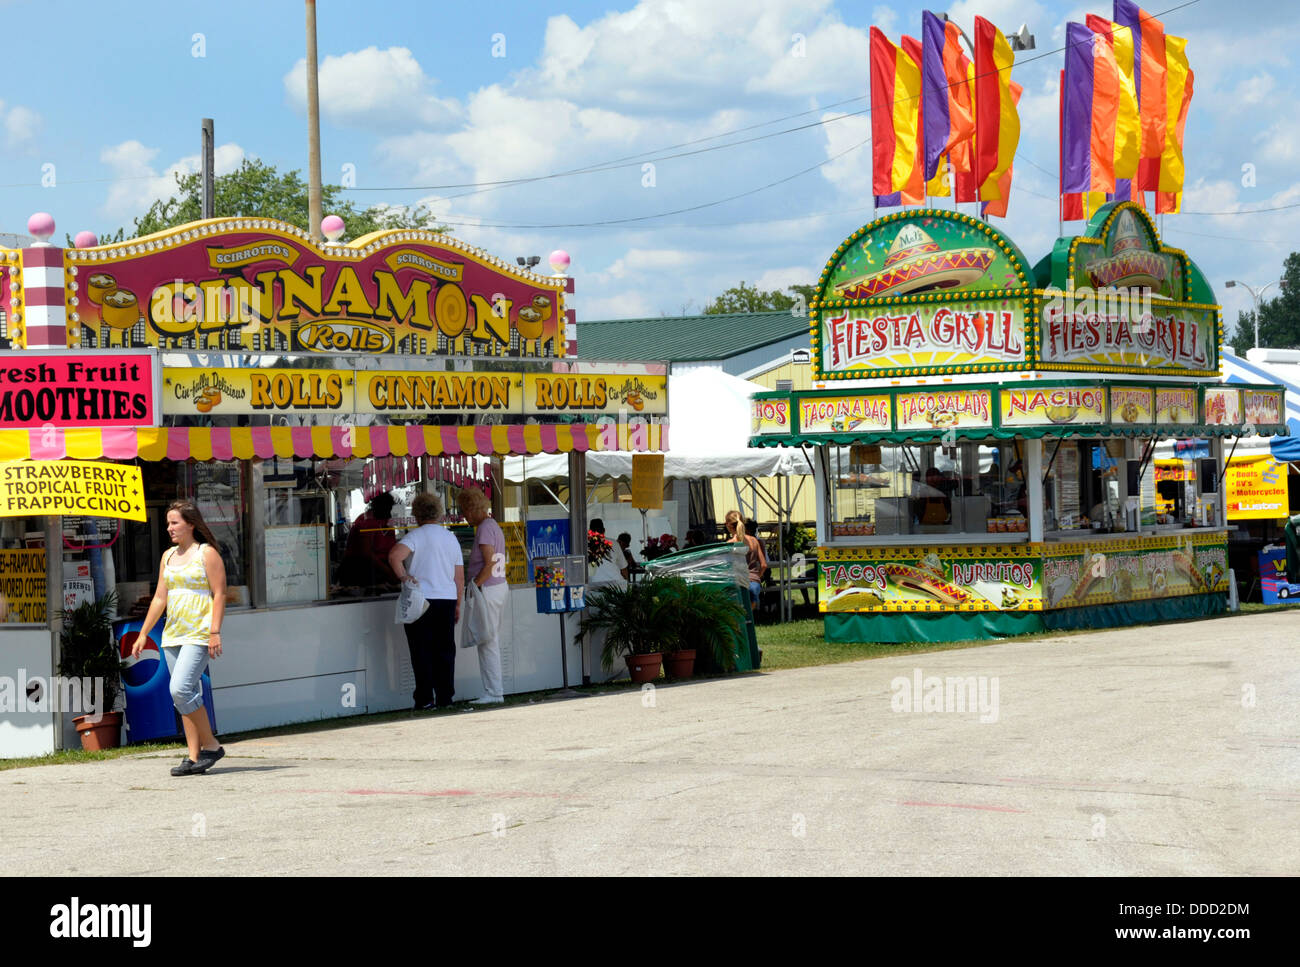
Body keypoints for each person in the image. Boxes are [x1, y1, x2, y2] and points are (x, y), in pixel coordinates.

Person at [134, 500, 227, 777]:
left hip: (199, 633)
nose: (169, 528)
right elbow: (160, 598)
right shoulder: (168, 557)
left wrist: (214, 631)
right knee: (185, 697)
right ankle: (193, 757)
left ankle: (211, 745)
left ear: (191, 524)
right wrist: (142, 634)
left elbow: (220, 593)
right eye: (168, 523)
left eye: (174, 523)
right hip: (173, 633)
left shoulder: (206, 553)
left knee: (181, 690)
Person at [389, 493, 464, 709]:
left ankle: (424, 698)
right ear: (439, 512)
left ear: (417, 513)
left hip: (420, 599)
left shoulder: (416, 536)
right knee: (445, 651)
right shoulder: (450, 538)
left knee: (421, 651)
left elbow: (394, 555)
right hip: (446, 599)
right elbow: (459, 576)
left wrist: (404, 576)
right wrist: (458, 603)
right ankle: (445, 698)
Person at [458, 487, 507, 705]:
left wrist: (474, 586)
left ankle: (493, 692)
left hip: (488, 588)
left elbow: (489, 563)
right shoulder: (492, 525)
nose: (464, 515)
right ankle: (494, 690)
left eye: (465, 510)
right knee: (490, 640)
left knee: (487, 642)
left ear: (473, 508)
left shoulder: (484, 529)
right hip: (497, 586)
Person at [338, 492, 397, 589]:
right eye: (387, 508)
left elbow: (392, 551)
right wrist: (389, 572)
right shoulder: (366, 523)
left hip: (378, 570)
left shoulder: (388, 526)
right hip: (358, 570)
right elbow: (367, 553)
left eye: (390, 508)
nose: (389, 513)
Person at [725, 510, 767, 607]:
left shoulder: (729, 544)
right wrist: (756, 577)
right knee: (749, 616)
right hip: (753, 584)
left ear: (728, 525)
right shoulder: (754, 540)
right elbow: (764, 565)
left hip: (737, 583)